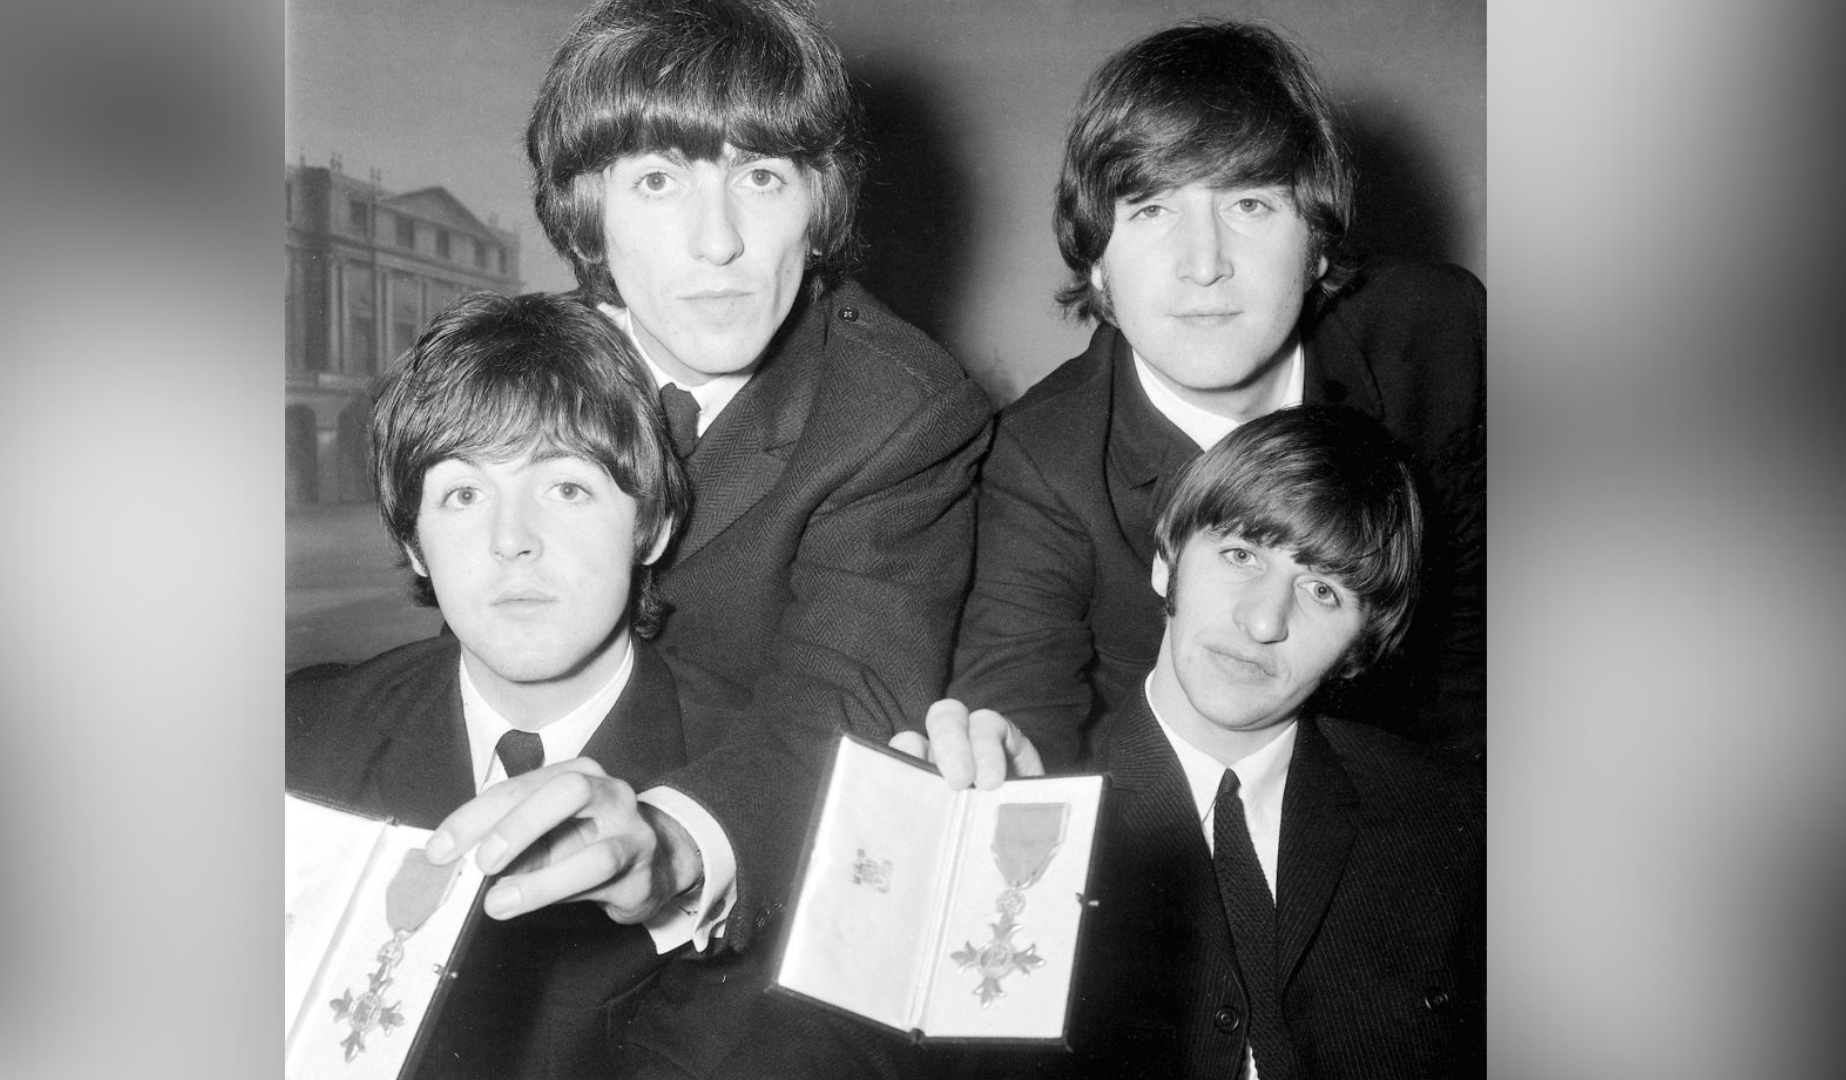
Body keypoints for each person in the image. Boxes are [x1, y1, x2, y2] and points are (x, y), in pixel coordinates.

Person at [423, 1, 992, 1075]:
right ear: (587, 211)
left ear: (819, 204)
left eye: (762, 178)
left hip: (748, 928)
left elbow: (841, 706)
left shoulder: (900, 411)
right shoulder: (515, 378)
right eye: (657, 181)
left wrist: (674, 843)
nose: (718, 241)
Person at [946, 19, 1486, 766]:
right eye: (1151, 209)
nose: (1203, 265)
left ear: (1317, 243)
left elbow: (1482, 656)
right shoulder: (1040, 462)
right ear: (1097, 263)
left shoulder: (1438, 336)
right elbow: (1019, 705)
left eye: (1249, 205)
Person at [905, 405, 1484, 1078]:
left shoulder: (1457, 822)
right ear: (1166, 562)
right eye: (1241, 555)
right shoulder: (1035, 806)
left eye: (1323, 591)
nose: (1263, 621)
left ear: (1360, 648)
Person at [286, 290, 694, 1078]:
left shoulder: (759, 776)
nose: (512, 540)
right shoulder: (292, 742)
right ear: (415, 543)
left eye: (566, 487)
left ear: (651, 525)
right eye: (463, 494)